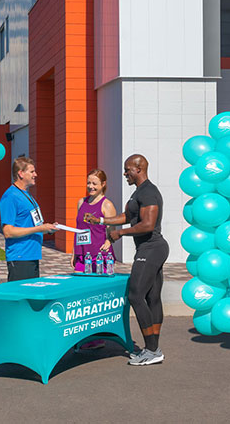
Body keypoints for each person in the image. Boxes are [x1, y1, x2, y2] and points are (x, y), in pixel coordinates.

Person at [85, 154, 169, 366]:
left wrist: (120, 234)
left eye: (127, 170)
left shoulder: (149, 192)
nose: (124, 174)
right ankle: (154, 349)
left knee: (135, 295)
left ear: (138, 169)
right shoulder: (139, 193)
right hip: (149, 248)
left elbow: (148, 224)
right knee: (152, 298)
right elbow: (127, 217)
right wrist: (101, 220)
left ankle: (151, 349)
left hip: (152, 248)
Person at [72, 169, 117, 350]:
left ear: (103, 185)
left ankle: (98, 338)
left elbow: (114, 230)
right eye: (88, 183)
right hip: (83, 256)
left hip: (100, 258)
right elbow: (78, 229)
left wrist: (109, 240)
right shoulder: (81, 202)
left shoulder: (107, 205)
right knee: (80, 298)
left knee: (96, 299)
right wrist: (74, 253)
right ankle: (83, 337)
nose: (90, 186)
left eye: (94, 184)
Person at [0, 157, 57, 281]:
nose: (35, 174)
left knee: (31, 297)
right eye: (32, 171)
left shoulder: (26, 194)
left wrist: (47, 228)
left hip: (32, 255)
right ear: (20, 173)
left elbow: (31, 224)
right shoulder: (10, 196)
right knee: (20, 298)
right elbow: (8, 232)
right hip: (20, 257)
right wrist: (40, 228)